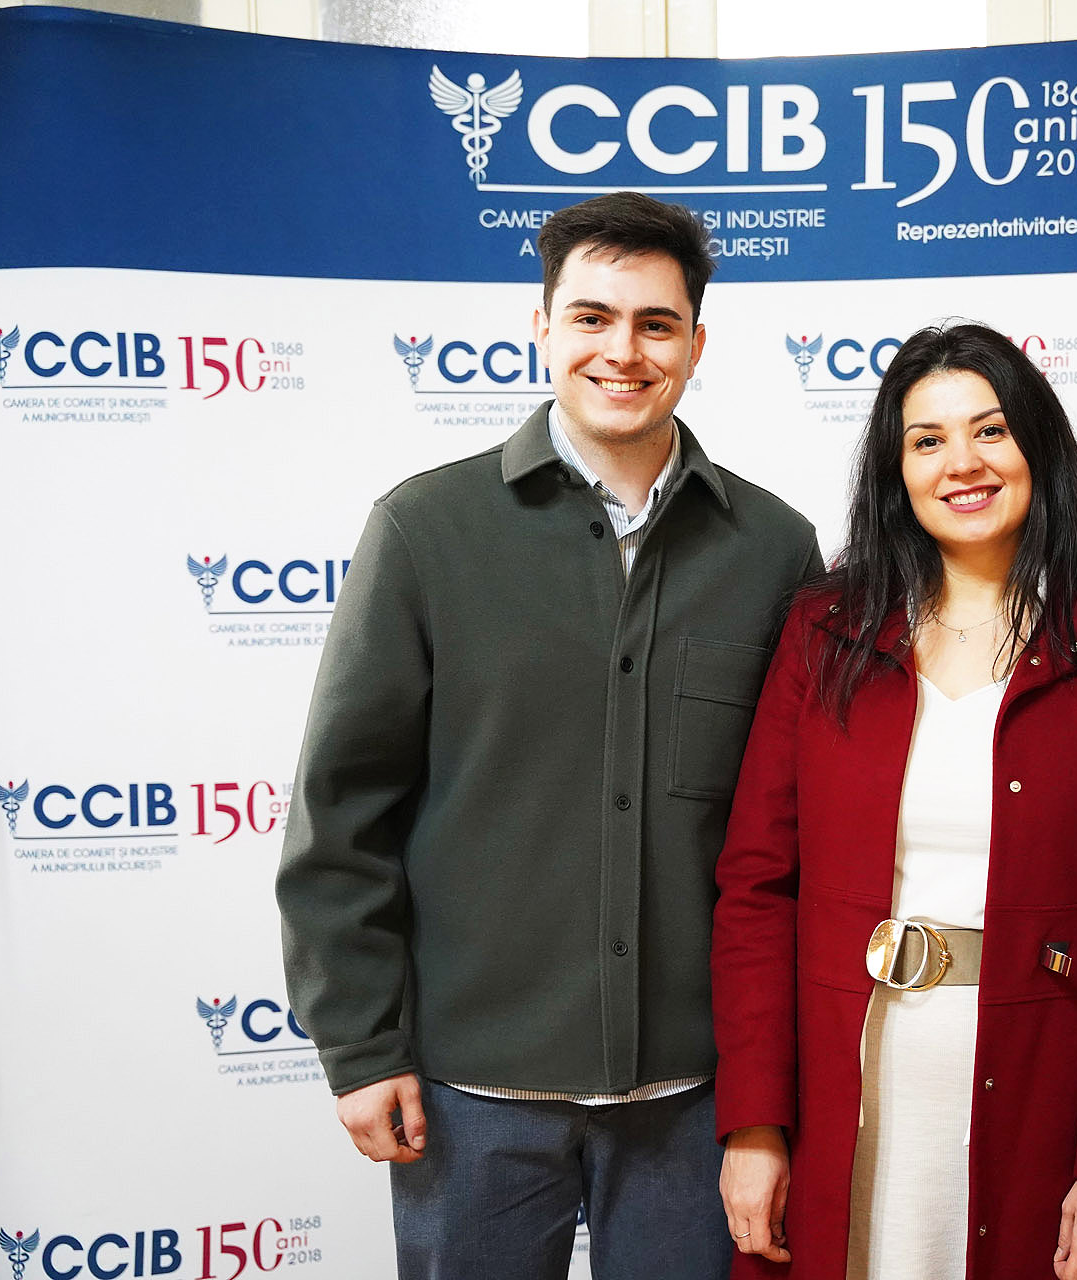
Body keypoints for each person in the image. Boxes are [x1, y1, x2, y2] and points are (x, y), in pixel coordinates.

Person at [275, 192, 821, 1280]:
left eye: (656, 323)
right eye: (591, 317)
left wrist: (770, 1088)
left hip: (694, 1098)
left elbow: (794, 838)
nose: (623, 350)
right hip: (470, 1095)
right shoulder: (425, 530)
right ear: (542, 327)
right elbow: (342, 810)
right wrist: (363, 1044)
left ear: (697, 344)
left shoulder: (775, 549)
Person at [711, 323, 1077, 1280]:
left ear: (1036, 447)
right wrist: (755, 1125)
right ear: (898, 472)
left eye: (990, 431)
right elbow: (757, 887)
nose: (961, 463)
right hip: (843, 1095)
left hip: (1044, 1102)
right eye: (927, 440)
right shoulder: (824, 630)